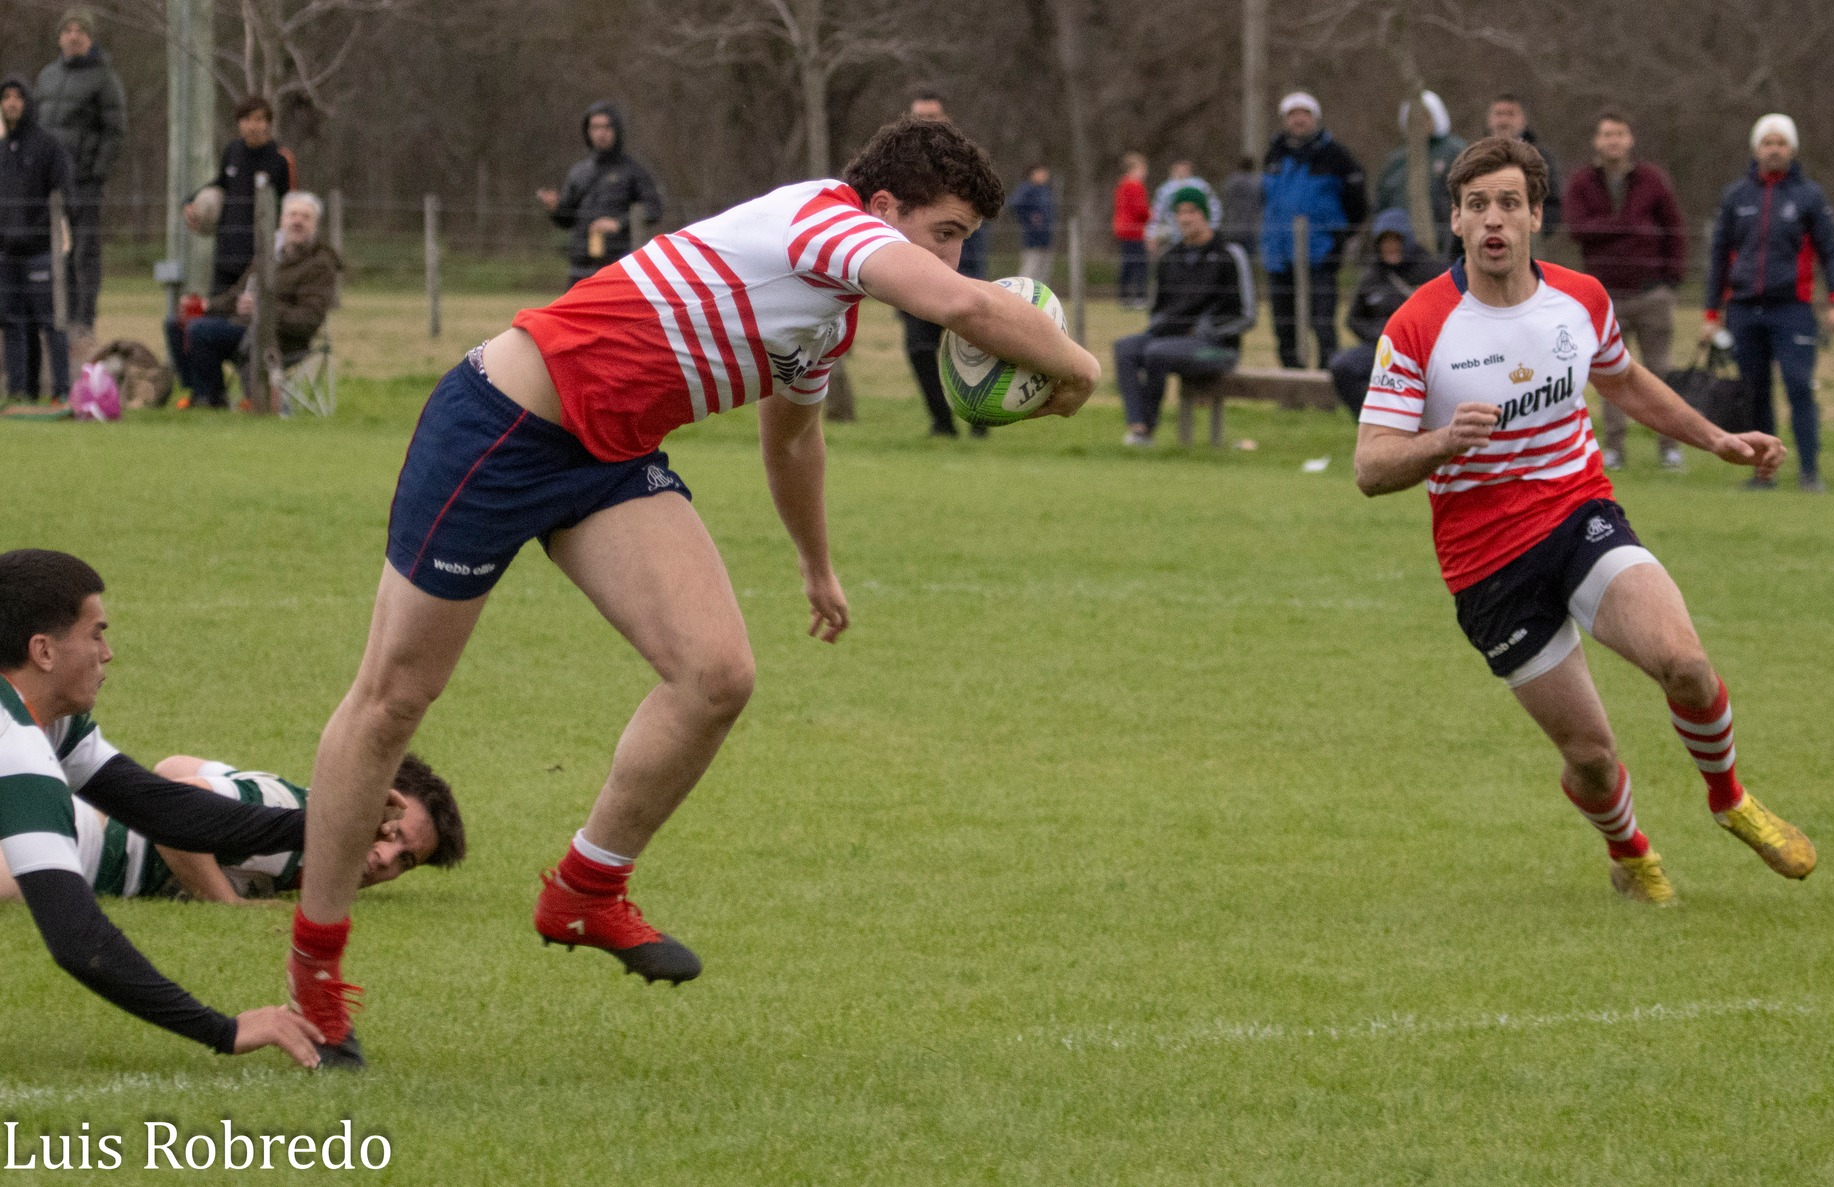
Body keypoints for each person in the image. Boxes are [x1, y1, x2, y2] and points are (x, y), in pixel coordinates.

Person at [282, 116, 1099, 1069]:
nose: (959, 258)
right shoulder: (825, 222)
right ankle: (315, 976)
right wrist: (1076, 364)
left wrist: (816, 564)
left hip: (607, 455)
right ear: (884, 209)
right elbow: (963, 308)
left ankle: (585, 891)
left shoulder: (829, 312)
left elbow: (793, 440)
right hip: (502, 428)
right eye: (948, 231)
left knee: (716, 673)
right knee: (393, 700)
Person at [1353, 138, 1814, 906]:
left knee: (1687, 664)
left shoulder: (1580, 300)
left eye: (1508, 203)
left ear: (1537, 214)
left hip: (1579, 516)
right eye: (1476, 206)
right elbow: (1371, 467)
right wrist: (1442, 442)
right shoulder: (1418, 326)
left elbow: (1625, 381)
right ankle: (1631, 853)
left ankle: (1729, 798)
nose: (1493, 220)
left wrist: (1718, 439)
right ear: (1458, 225)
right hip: (1488, 566)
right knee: (1593, 756)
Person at [0, 549, 324, 1067]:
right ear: (43, 651)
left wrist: (326, 827)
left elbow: (162, 810)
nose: (107, 654)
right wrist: (224, 1030)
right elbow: (76, 938)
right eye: (96, 634)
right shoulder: (15, 742)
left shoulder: (48, 722)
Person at [0, 752, 462, 903]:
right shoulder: (286, 812)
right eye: (392, 834)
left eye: (406, 861)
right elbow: (172, 789)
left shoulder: (295, 808)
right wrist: (227, 902)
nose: (385, 859)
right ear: (370, 803)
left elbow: (177, 762)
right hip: (80, 847)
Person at [1701, 114, 1834, 492]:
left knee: (1799, 386)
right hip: (1744, 310)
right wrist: (1711, 313)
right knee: (1756, 392)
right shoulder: (1736, 197)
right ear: (1756, 148)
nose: (1774, 149)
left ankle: (1810, 471)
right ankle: (1763, 474)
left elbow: (1831, 251)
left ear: (1792, 149)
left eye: (1781, 142)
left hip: (1793, 309)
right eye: (1767, 142)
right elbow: (1719, 255)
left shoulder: (1809, 197)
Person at [1563, 108, 1688, 470]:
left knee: (1659, 373)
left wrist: (1671, 282)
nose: (1612, 141)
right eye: (1606, 134)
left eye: (1619, 134)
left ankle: (1671, 447)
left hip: (1652, 294)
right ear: (1596, 141)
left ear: (1630, 139)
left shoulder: (1653, 180)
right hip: (1605, 296)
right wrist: (1628, 226)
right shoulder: (1582, 183)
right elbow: (1577, 229)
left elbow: (1674, 230)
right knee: (1610, 376)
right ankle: (1615, 449)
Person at [162, 190, 340, 409]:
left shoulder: (320, 266)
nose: (297, 221)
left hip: (279, 337)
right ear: (281, 220)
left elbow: (307, 319)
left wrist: (263, 309)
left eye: (305, 217)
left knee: (200, 332)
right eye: (292, 215)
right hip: (244, 326)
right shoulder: (269, 254)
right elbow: (236, 294)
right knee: (176, 324)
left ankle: (213, 400)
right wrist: (206, 306)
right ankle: (201, 393)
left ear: (315, 225)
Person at [1114, 187, 1254, 445]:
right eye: (1179, 212)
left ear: (1205, 214)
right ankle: (1137, 425)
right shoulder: (1169, 257)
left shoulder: (1229, 254)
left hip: (1217, 348)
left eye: (1192, 211)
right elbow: (1158, 310)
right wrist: (1158, 327)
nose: (1185, 218)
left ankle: (1145, 433)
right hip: (1169, 340)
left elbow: (1247, 315)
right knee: (1126, 348)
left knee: (1157, 352)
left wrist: (1205, 330)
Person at [900, 90, 990, 437]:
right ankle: (942, 423)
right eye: (919, 117)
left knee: (973, 352)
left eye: (933, 117)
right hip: (913, 277)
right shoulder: (899, 170)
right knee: (921, 350)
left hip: (962, 272)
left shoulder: (966, 166)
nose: (926, 124)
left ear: (946, 120)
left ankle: (980, 424)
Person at [33, 7, 124, 338]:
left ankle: (83, 318)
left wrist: (94, 173)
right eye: (68, 29)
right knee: (54, 251)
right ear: (60, 37)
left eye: (80, 30)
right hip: (47, 185)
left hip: (83, 182)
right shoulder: (46, 77)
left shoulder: (104, 79)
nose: (73, 35)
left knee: (85, 251)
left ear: (90, 37)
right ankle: (58, 313)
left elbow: (114, 131)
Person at [1260, 91, 1368, 369]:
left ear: (1315, 118)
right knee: (1284, 326)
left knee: (1322, 323)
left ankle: (1327, 382)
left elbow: (1358, 203)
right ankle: (1291, 383)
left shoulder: (1336, 155)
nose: (1298, 120)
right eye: (1292, 114)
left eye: (1304, 113)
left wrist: (1338, 239)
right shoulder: (1273, 154)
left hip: (1320, 255)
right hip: (1279, 255)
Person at [1326, 208, 1444, 418]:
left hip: (1424, 350)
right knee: (1342, 365)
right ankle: (1373, 420)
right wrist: (1382, 336)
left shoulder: (1432, 272)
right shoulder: (1372, 276)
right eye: (1385, 241)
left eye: (1396, 240)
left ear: (1406, 240)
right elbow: (1353, 320)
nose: (1391, 247)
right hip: (1383, 348)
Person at [537, 102, 663, 289]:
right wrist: (554, 208)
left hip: (617, 266)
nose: (601, 133)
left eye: (606, 127)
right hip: (580, 267)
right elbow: (566, 220)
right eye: (595, 127)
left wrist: (618, 224)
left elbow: (653, 210)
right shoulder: (579, 172)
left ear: (617, 130)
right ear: (587, 131)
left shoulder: (633, 171)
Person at [0, 76, 71, 402]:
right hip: (8, 253)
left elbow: (62, 195)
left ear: (28, 103)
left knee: (51, 324)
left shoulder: (47, 146)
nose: (12, 103)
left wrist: (49, 231)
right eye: (6, 97)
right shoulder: (3, 150)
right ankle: (20, 391)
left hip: (42, 251)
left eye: (18, 97)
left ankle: (60, 391)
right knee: (14, 323)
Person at [184, 96, 294, 298]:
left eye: (260, 119)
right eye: (247, 119)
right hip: (226, 253)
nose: (254, 126)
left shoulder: (280, 159)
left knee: (252, 317)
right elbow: (220, 184)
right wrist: (190, 201)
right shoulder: (232, 151)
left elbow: (290, 204)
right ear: (239, 123)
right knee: (216, 312)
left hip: (259, 257)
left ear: (268, 123)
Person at [1374, 90, 1467, 254]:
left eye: (1425, 116)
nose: (1419, 123)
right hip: (1401, 246)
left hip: (1445, 243)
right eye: (1413, 118)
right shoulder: (1397, 160)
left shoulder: (1455, 151)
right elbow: (1382, 200)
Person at [1483, 95, 1562, 238]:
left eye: (1510, 114)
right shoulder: (1475, 158)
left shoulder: (1541, 158)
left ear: (1523, 119)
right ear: (1489, 119)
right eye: (1499, 114)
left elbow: (1553, 203)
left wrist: (1533, 228)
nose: (1504, 121)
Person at [1145, 159, 1221, 248]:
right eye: (1178, 169)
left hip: (1202, 238)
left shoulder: (1200, 186)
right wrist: (1151, 234)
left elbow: (1214, 207)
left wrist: (1213, 227)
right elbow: (1157, 212)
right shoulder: (1165, 189)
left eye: (1183, 168)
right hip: (1174, 235)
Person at [1113, 152, 1150, 308]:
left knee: (1128, 262)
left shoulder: (1121, 185)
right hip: (1133, 230)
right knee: (1139, 263)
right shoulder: (1134, 186)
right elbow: (1140, 210)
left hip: (1123, 228)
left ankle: (1124, 296)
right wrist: (1150, 214)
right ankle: (1137, 297)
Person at [1009, 164, 1056, 284]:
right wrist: (1029, 218)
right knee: (1030, 268)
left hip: (1046, 236)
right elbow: (1016, 205)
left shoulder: (1045, 190)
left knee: (1044, 270)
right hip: (1032, 237)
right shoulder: (1026, 189)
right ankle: (1022, 291)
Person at [1219, 155, 1263, 258]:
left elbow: (1225, 201)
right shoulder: (1255, 183)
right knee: (1248, 262)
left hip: (1231, 228)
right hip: (1249, 229)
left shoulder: (1229, 182)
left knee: (1231, 261)